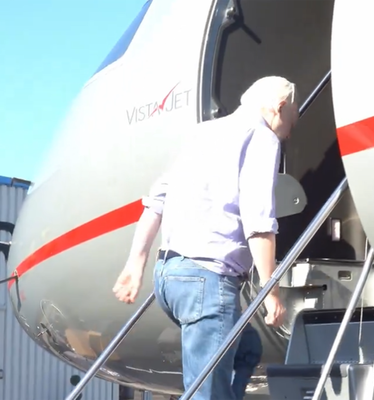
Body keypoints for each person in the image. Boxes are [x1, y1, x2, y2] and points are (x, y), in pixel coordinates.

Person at [112, 76, 298, 400]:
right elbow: (258, 223)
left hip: (168, 278)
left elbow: (157, 203)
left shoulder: (201, 133)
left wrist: (135, 265)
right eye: (292, 123)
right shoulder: (262, 136)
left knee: (248, 348)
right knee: (206, 393)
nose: (290, 133)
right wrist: (271, 292)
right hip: (207, 282)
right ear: (279, 108)